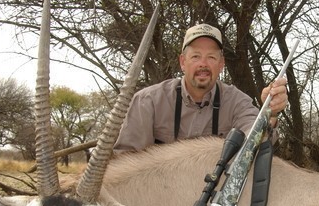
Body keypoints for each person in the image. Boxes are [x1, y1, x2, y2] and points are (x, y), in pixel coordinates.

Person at [114, 23, 289, 152]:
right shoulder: (148, 101)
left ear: (221, 64)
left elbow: (256, 140)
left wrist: (270, 113)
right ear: (183, 62)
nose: (203, 64)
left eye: (211, 57)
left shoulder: (237, 101)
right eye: (196, 56)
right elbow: (127, 159)